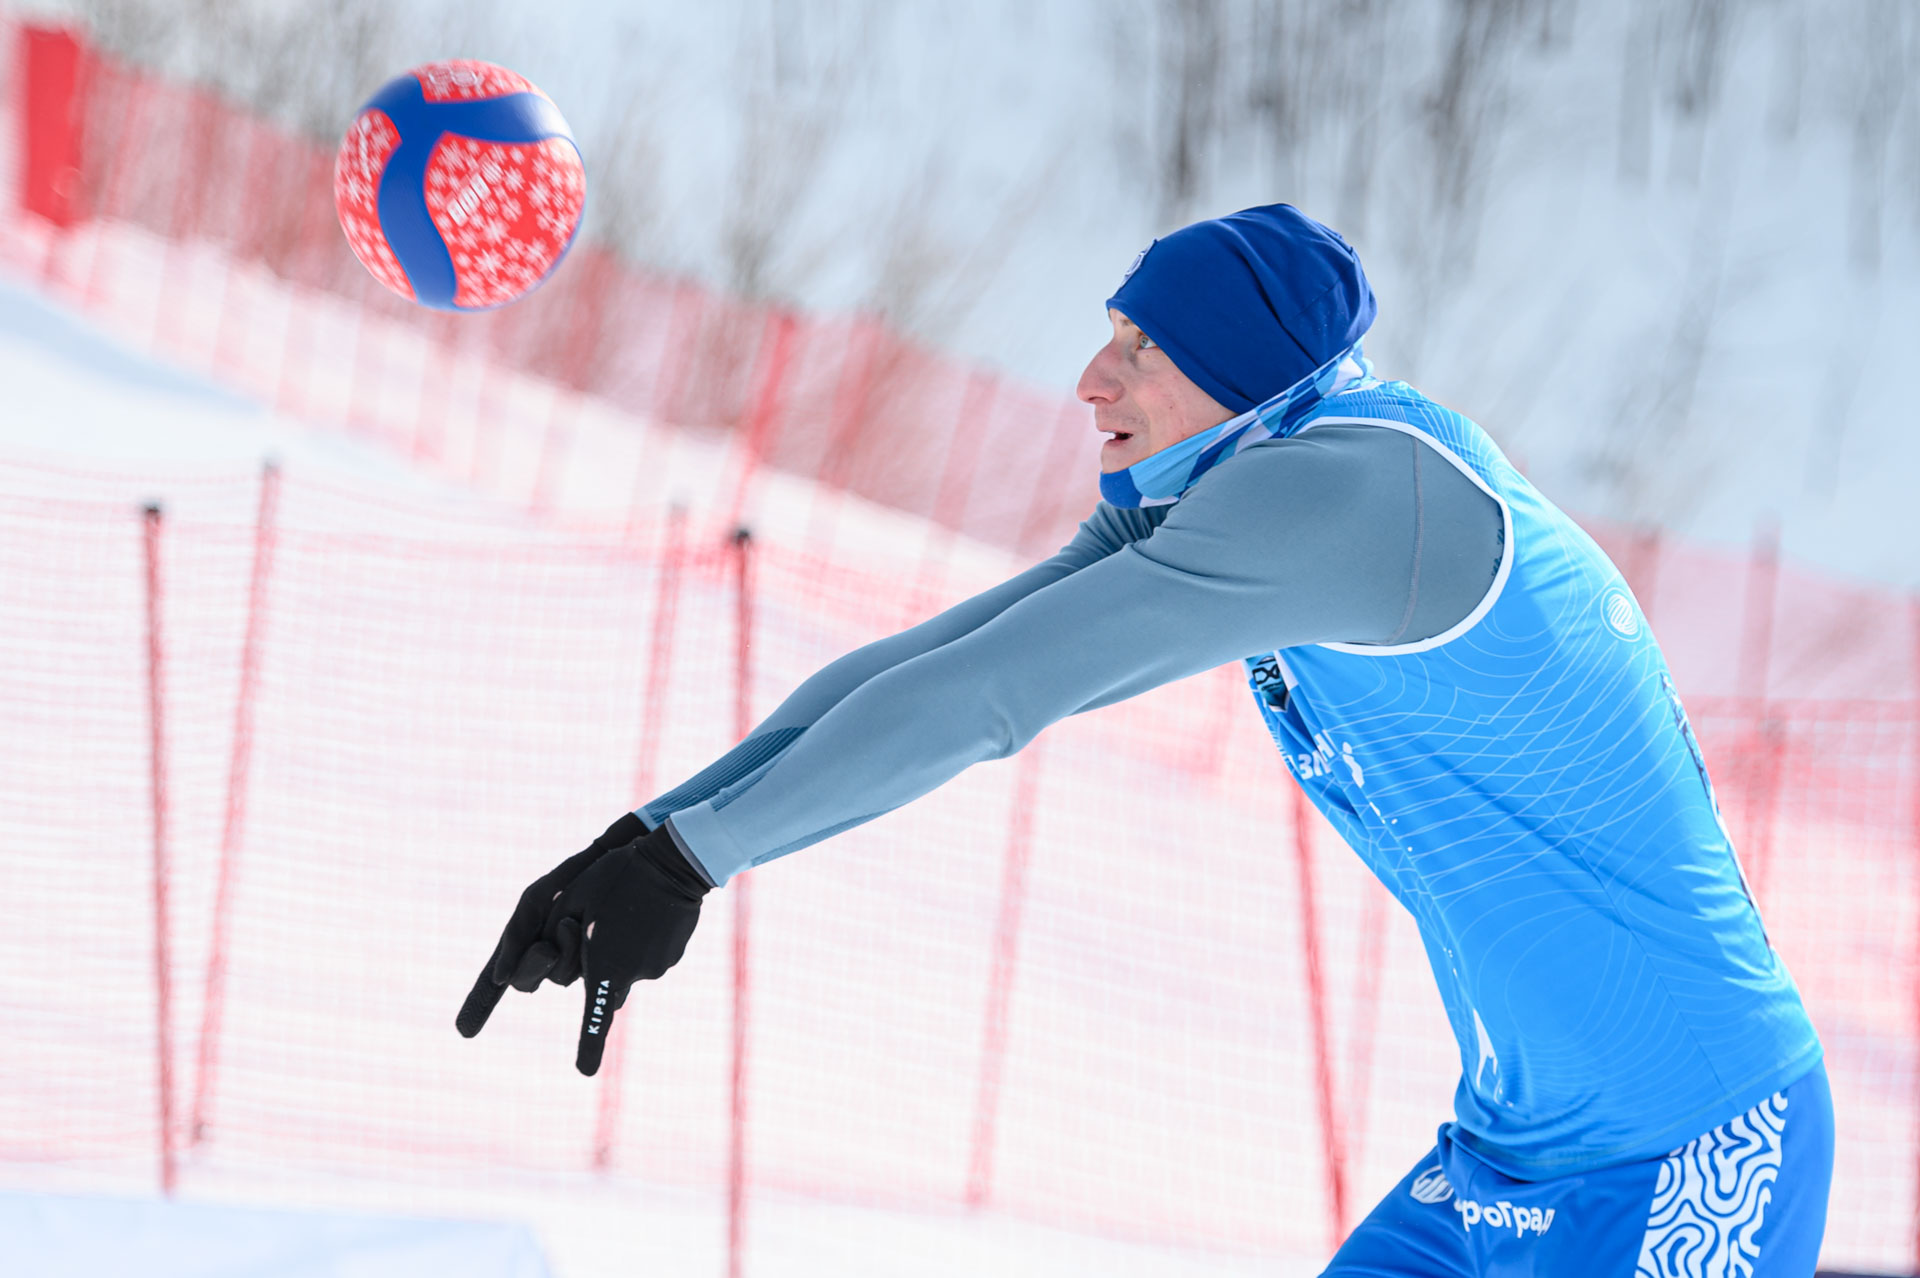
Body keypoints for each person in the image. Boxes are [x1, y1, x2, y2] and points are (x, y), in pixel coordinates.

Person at [455, 205, 1831, 1276]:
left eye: (1138, 347)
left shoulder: (1351, 496)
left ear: (1238, 370)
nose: (1088, 377)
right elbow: (944, 660)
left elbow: (994, 702)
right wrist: (651, 840)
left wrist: (698, 858)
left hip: (1688, 1141)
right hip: (1505, 1152)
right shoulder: (1234, 477)